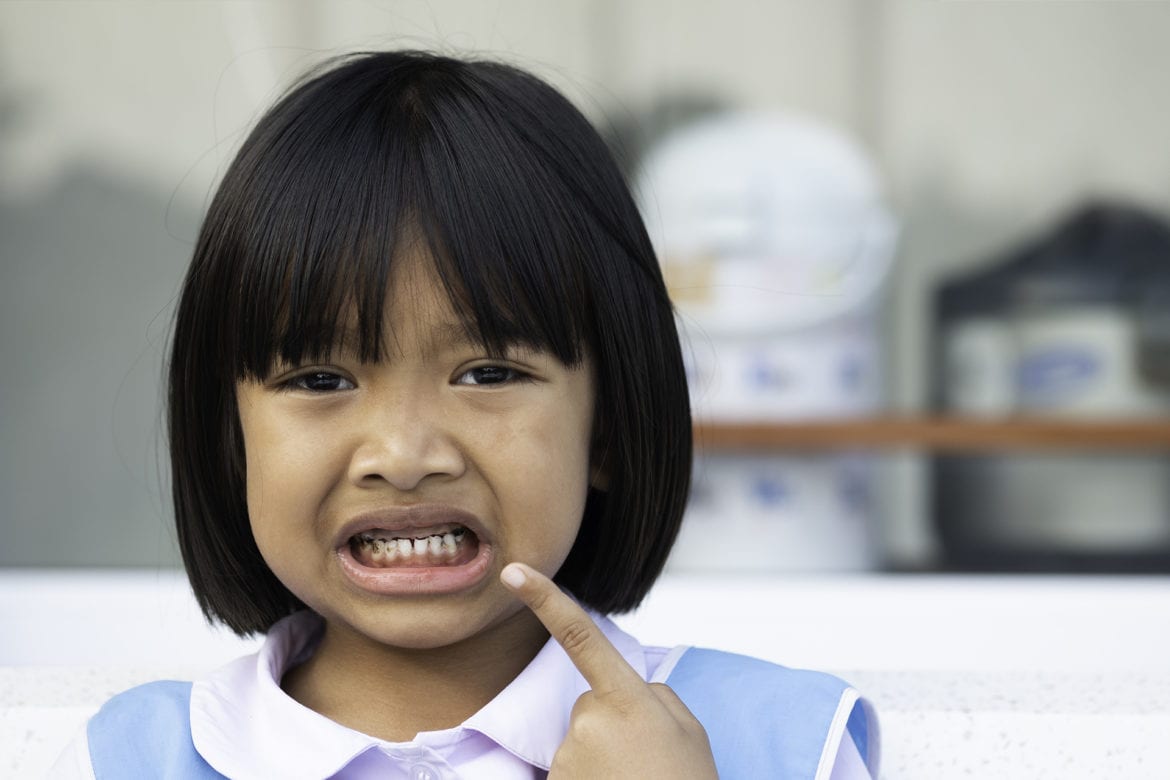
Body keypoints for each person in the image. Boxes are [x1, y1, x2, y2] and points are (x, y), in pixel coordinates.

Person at [51, 50, 878, 779]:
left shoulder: (784, 745)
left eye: (487, 371)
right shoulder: (131, 760)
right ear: (230, 438)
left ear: (612, 428)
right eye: (319, 379)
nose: (405, 454)